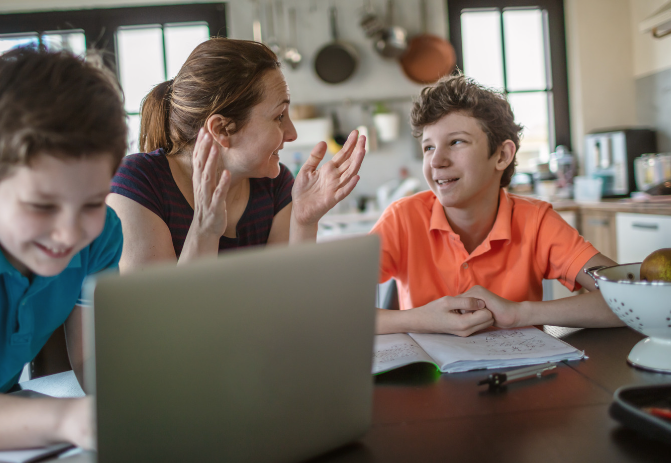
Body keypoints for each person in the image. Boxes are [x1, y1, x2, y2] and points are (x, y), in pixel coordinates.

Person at [0, 48, 128, 450]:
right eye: (41, 205)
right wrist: (70, 418)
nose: (69, 234)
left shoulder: (102, 233)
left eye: (91, 203)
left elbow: (93, 364)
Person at [372, 73, 623, 336]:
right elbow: (332, 309)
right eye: (428, 148)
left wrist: (519, 313)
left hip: (519, 375)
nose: (436, 161)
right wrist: (419, 319)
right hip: (430, 376)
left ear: (502, 155)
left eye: (456, 142)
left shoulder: (535, 222)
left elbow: (631, 298)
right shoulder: (402, 218)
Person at [108, 39, 365, 271]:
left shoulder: (275, 187)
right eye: (279, 117)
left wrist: (305, 222)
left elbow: (286, 306)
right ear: (222, 129)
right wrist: (205, 229)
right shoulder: (139, 184)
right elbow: (157, 318)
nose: (292, 133)